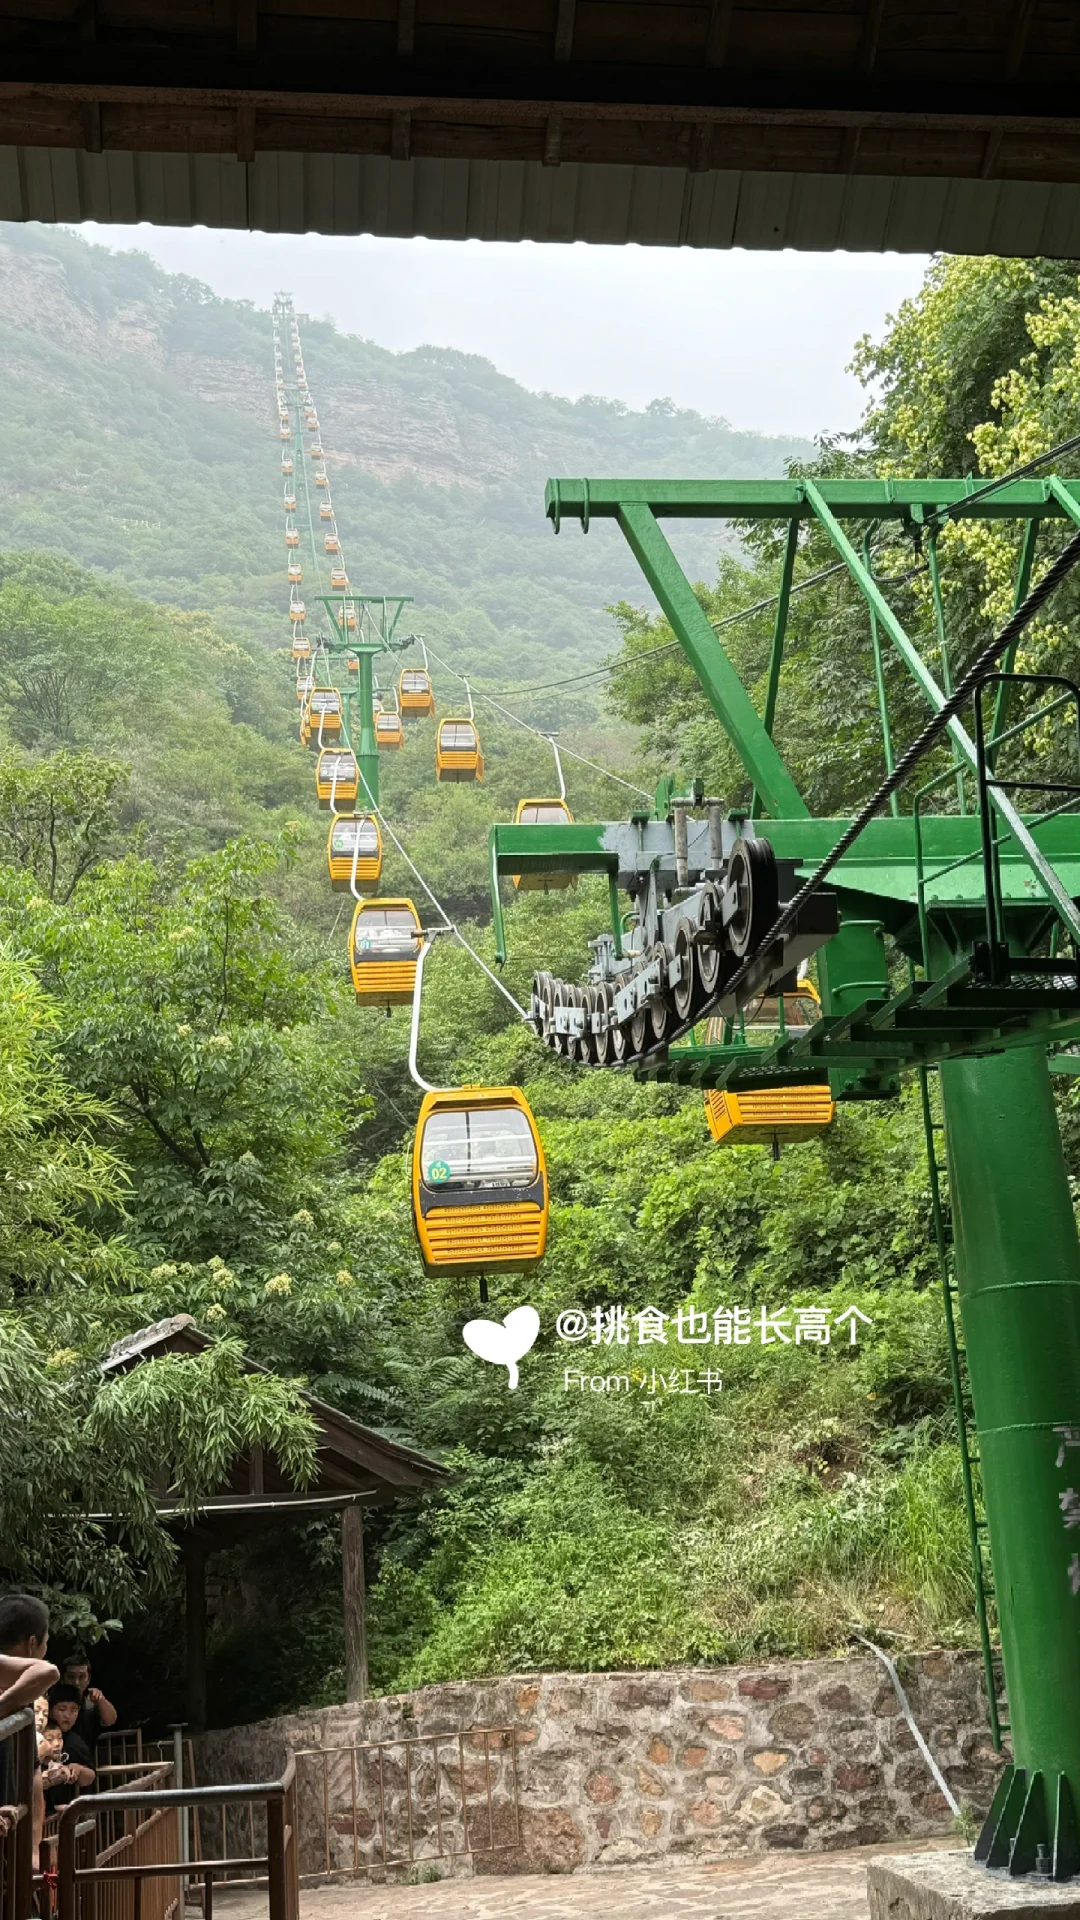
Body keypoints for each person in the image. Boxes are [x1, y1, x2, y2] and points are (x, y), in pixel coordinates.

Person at [0, 1595, 60, 1846]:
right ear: (32, 1643)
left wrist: (34, 1849)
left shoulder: (20, 1695)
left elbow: (47, 1672)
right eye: (45, 1643)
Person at [42, 1688, 95, 1814]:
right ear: (49, 1710)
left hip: (62, 1813)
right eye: (61, 1709)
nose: (68, 1715)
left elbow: (90, 1777)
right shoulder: (35, 1736)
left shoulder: (76, 1743)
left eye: (74, 1710)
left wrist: (79, 1769)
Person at [61, 1654, 117, 1754]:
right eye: (71, 1677)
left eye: (82, 1677)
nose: (76, 1682)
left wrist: (101, 1699)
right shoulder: (52, 1702)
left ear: (88, 1679)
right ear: (63, 1678)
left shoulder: (90, 1705)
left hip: (85, 1764)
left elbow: (110, 1720)